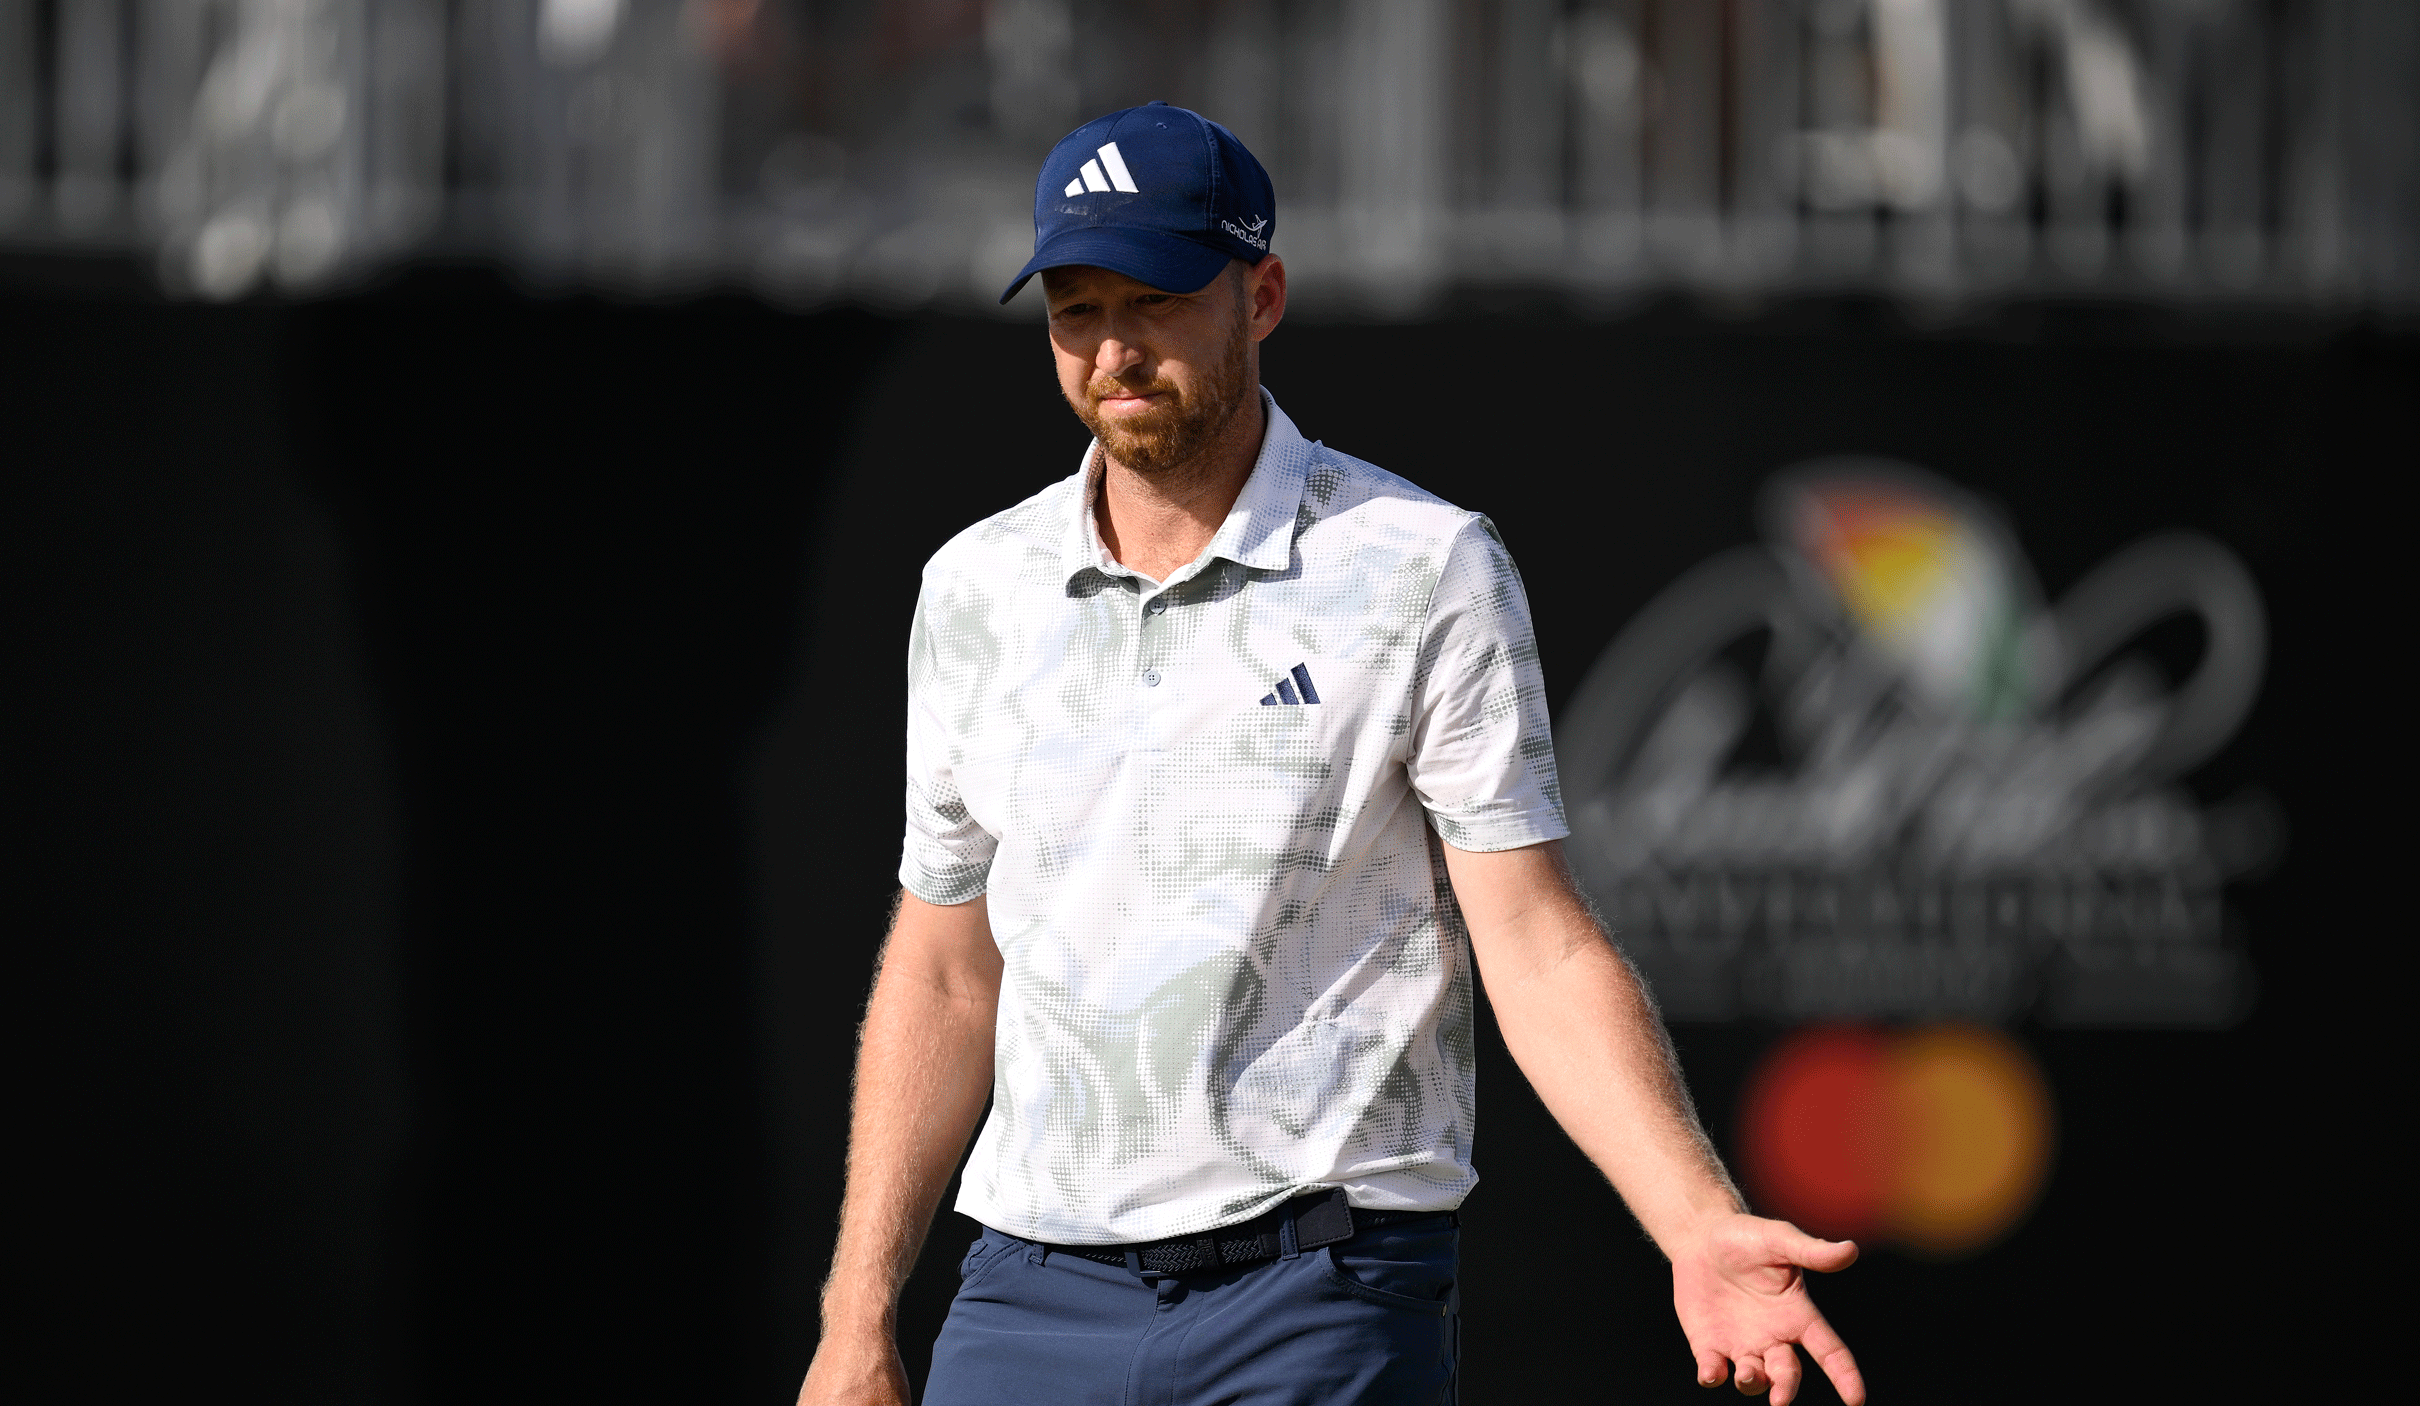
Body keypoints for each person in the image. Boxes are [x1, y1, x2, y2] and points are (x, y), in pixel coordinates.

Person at [795, 103, 1866, 1406]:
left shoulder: (1424, 567)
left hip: (1315, 1295)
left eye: (1160, 299)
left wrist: (1696, 1219)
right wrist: (856, 1320)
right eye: (1077, 310)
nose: (1116, 350)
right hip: (1026, 1298)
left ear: (1264, 293)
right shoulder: (976, 586)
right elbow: (947, 969)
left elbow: (1532, 938)